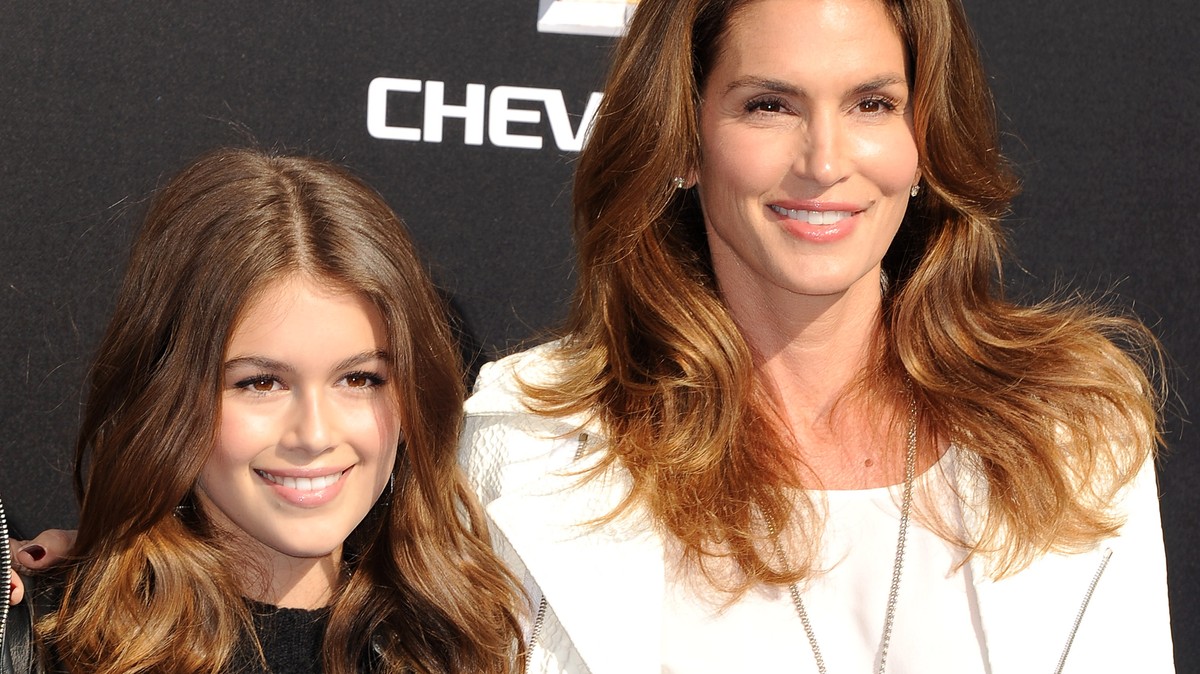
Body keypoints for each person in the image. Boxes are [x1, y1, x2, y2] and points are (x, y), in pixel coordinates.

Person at [458, 0, 1174, 672]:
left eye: (873, 104)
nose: (825, 163)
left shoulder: (1072, 432)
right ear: (684, 141)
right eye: (770, 106)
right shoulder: (536, 444)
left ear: (924, 140)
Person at [4, 148, 523, 673]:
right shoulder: (52, 643)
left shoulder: (464, 644)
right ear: (168, 394)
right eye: (261, 383)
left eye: (359, 379)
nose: (315, 434)